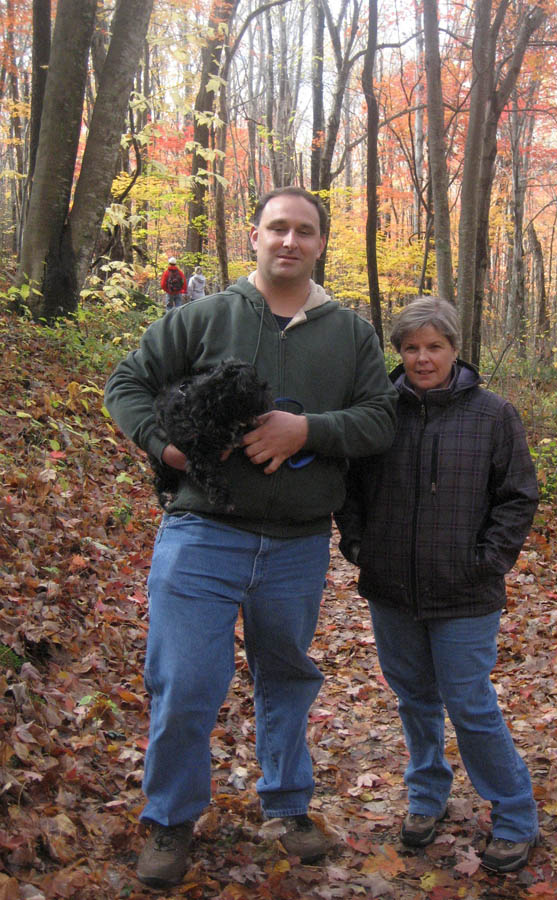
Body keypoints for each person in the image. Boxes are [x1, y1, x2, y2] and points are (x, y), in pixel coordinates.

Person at [104, 187, 397, 889]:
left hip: (298, 542)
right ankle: (170, 819)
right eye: (277, 228)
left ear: (320, 243)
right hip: (202, 532)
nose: (289, 241)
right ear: (255, 236)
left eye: (304, 230)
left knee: (287, 676)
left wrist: (307, 430)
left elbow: (381, 419)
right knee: (185, 680)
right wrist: (166, 448)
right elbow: (127, 384)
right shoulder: (205, 317)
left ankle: (288, 805)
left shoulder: (350, 334)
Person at [336, 298, 540, 875]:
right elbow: (349, 489)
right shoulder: (379, 412)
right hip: (391, 589)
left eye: (434, 347)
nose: (423, 358)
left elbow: (518, 495)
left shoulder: (493, 415)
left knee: (470, 704)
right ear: (398, 352)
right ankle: (427, 796)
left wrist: (487, 561)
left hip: (465, 593)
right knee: (414, 698)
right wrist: (359, 547)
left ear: (454, 349)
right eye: (411, 348)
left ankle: (515, 815)